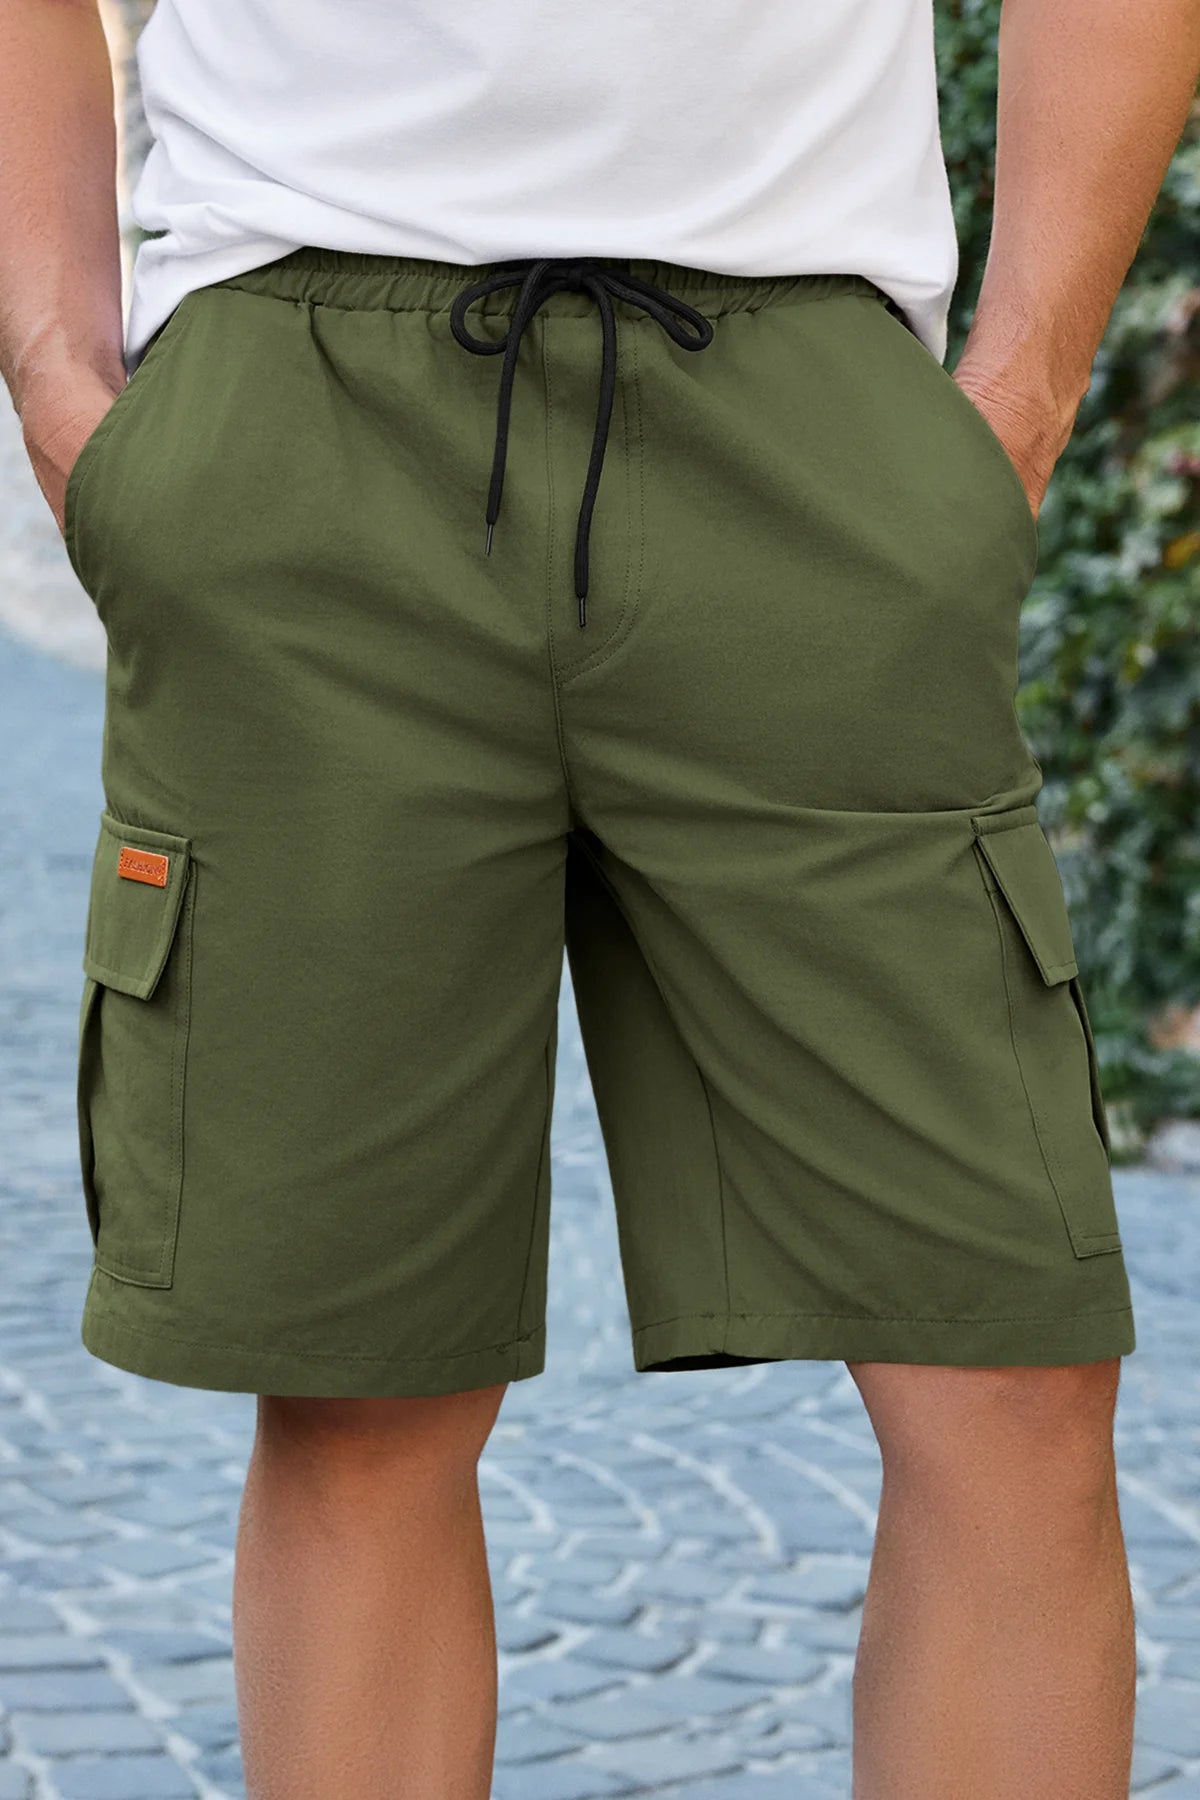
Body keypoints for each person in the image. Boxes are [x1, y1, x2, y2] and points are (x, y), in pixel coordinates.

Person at [3, 0, 1197, 1794]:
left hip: (806, 406)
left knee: (1005, 1364)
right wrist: (56, 371)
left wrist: (1019, 397)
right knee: (354, 1395)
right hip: (301, 406)